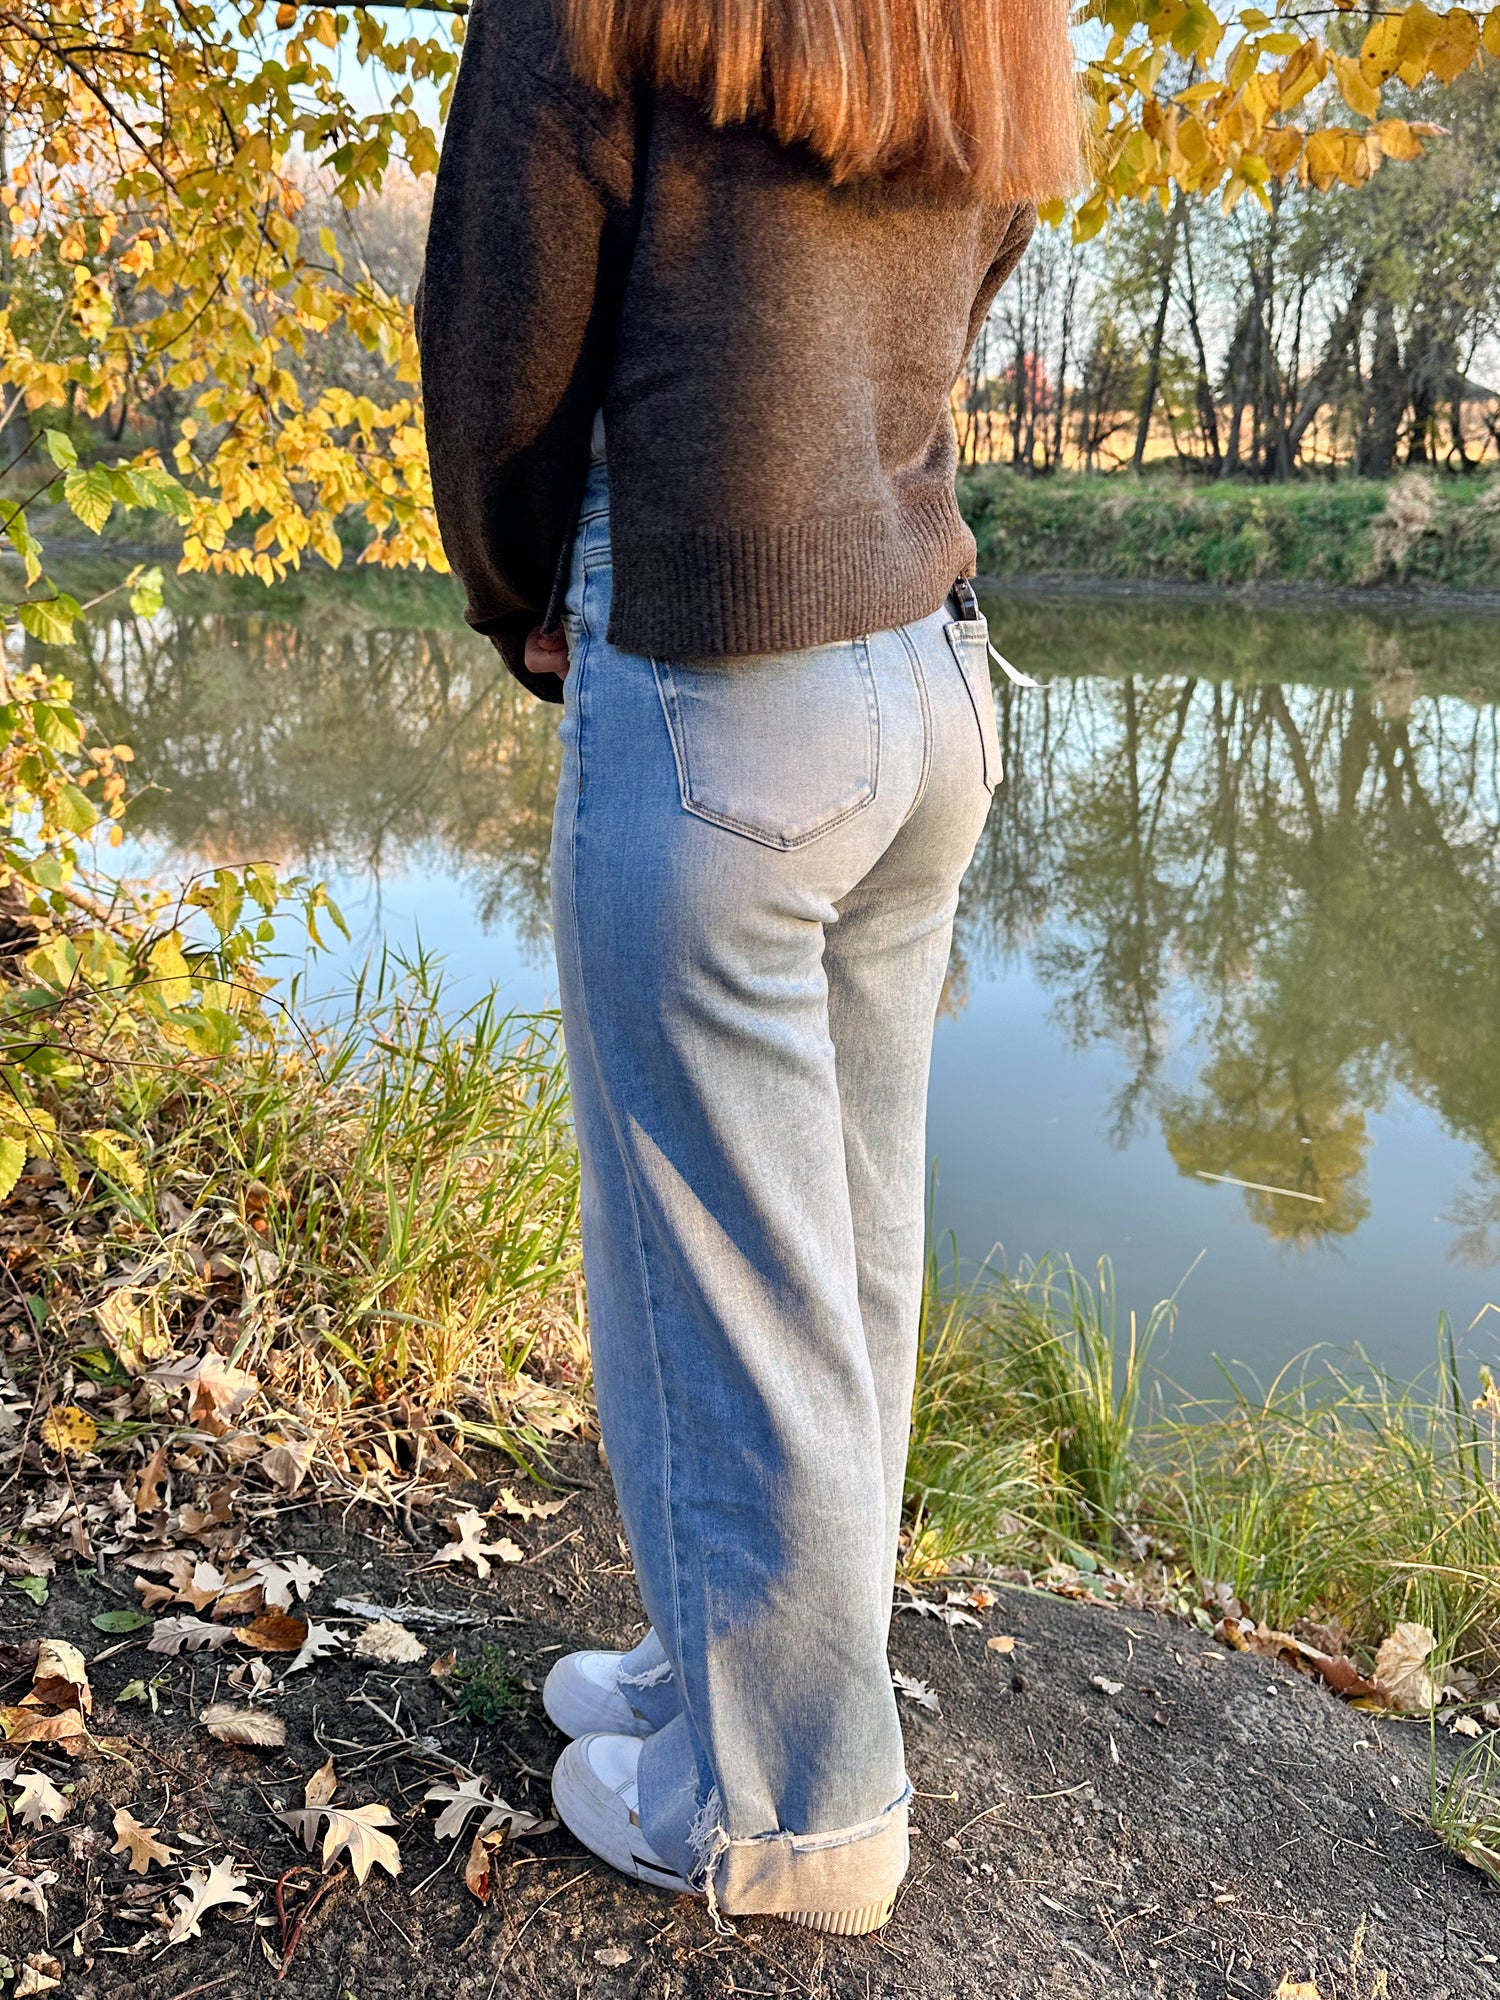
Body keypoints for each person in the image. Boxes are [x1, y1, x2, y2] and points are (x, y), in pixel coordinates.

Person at [419, 0, 1081, 1934]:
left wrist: (516, 589)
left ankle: (792, 1812)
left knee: (715, 1254)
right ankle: (733, 1676)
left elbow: (500, 321)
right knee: (844, 1255)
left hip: (721, 673)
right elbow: (983, 257)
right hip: (928, 671)